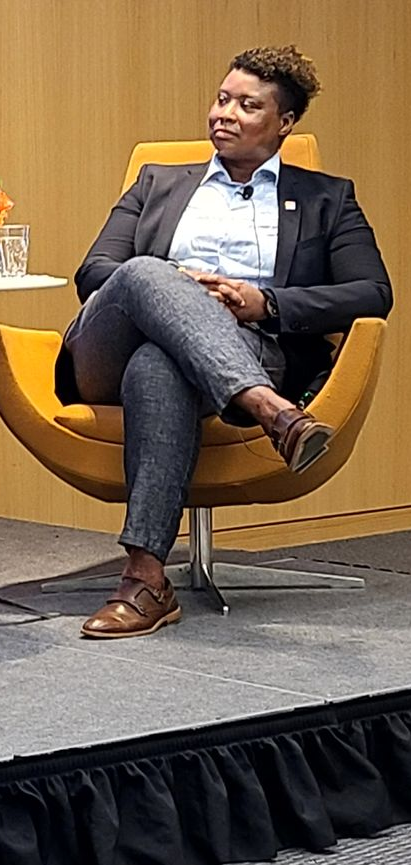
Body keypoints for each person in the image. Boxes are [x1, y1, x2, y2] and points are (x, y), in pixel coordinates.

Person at [61, 46, 391, 639]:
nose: (224, 115)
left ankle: (145, 580)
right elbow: (95, 273)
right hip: (107, 347)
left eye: (247, 105)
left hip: (249, 344)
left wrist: (267, 303)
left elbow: (373, 292)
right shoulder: (158, 183)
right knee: (144, 273)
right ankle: (273, 412)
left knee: (159, 366)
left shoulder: (326, 198)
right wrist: (177, 285)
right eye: (221, 100)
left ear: (285, 123)